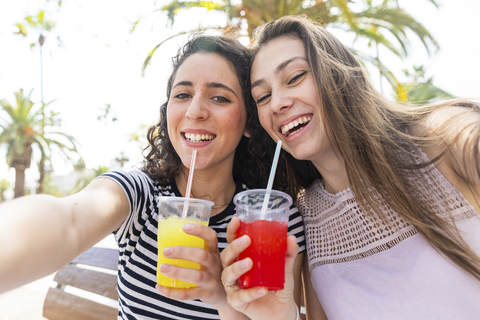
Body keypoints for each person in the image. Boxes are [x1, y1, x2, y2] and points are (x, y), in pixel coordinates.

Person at [0, 35, 306, 319]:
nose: (195, 111)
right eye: (183, 94)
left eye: (219, 98)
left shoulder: (271, 220)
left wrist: (221, 298)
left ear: (249, 123)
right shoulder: (141, 196)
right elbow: (68, 220)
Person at [220, 15, 480, 320]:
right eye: (262, 96)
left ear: (337, 74)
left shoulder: (444, 138)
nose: (277, 103)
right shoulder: (306, 218)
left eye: (295, 77)